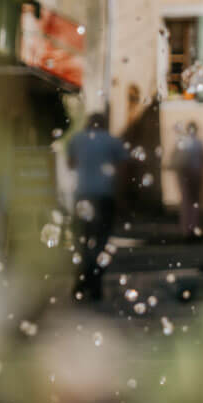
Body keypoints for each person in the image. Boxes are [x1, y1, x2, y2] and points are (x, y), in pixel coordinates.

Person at [66, 111, 128, 302]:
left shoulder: (77, 139)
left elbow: (70, 164)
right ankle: (94, 283)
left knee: (83, 240)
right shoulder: (112, 141)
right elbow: (123, 168)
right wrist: (122, 197)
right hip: (104, 195)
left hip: (83, 195)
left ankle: (82, 280)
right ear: (104, 124)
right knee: (101, 241)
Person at [172, 121, 203, 240]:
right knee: (194, 202)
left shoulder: (183, 142)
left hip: (184, 174)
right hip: (196, 173)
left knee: (186, 202)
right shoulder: (198, 143)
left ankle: (186, 230)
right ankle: (193, 228)